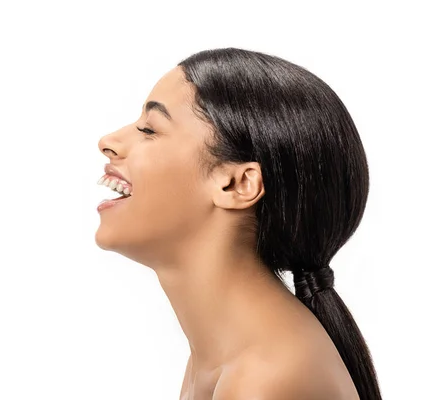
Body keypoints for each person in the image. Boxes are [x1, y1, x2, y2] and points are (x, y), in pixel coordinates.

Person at [95, 47, 382, 400]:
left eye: (149, 129)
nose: (108, 142)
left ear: (237, 184)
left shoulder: (268, 379)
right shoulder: (222, 359)